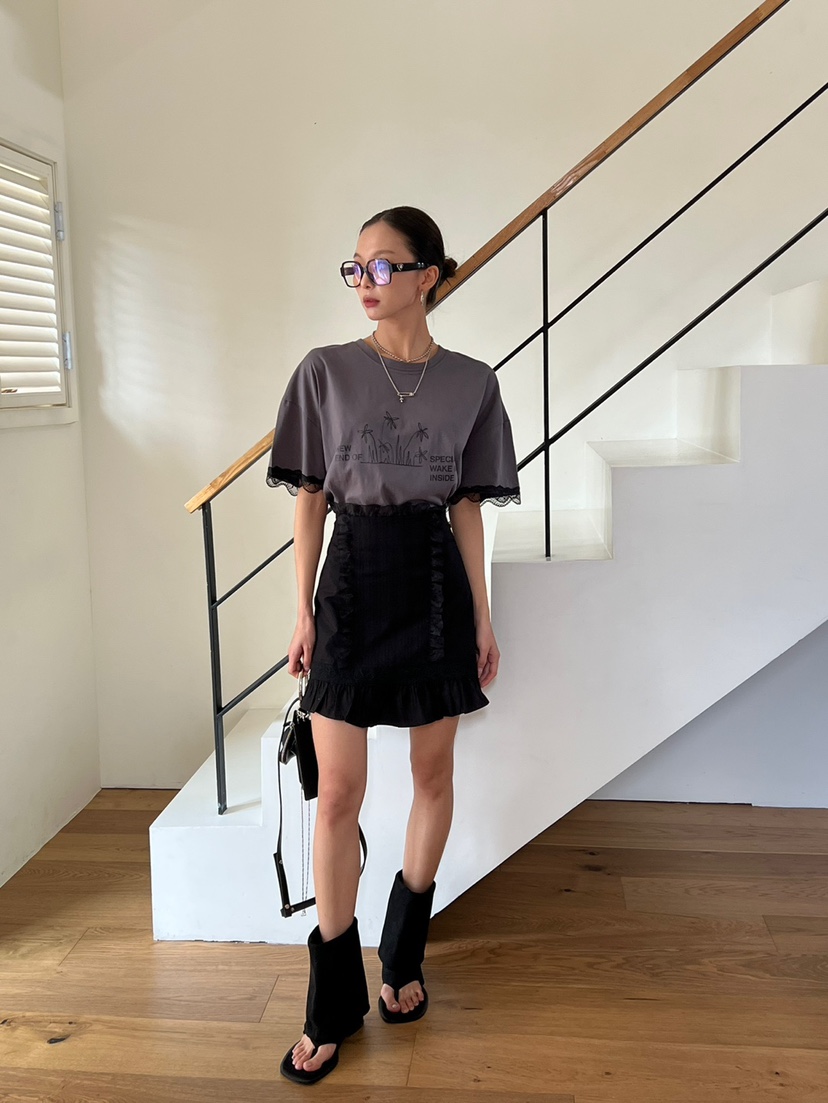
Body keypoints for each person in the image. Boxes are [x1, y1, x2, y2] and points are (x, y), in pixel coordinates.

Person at [267, 206, 520, 1085]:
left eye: (382, 266)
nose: (365, 282)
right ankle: (330, 1000)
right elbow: (309, 498)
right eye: (356, 267)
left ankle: (402, 955)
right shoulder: (325, 371)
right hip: (350, 584)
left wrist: (482, 615)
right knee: (337, 793)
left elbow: (467, 509)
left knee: (432, 776)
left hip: (434, 587)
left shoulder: (473, 383)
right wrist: (303, 611)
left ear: (429, 276)